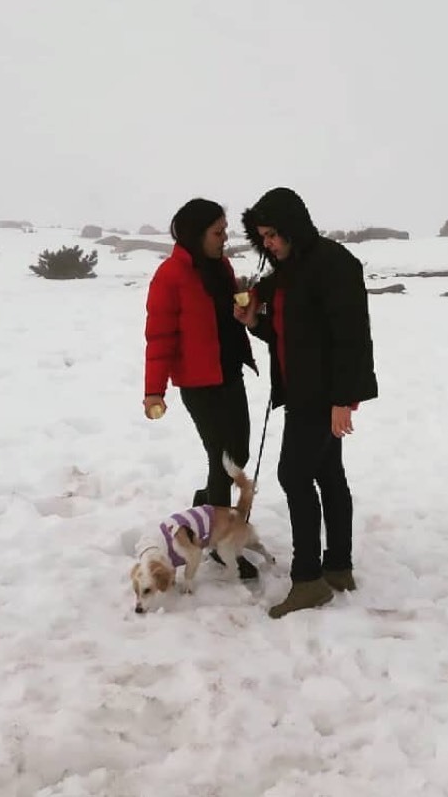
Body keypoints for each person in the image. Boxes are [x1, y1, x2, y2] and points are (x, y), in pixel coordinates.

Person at [236, 187, 378, 617]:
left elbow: (351, 338)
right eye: (262, 237)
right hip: (301, 390)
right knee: (327, 473)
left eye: (274, 234)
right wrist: (253, 321)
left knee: (294, 475)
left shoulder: (334, 264)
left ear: (293, 226)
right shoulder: (289, 271)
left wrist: (344, 399)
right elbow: (288, 335)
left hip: (322, 394)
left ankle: (308, 580)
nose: (269, 243)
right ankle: (338, 567)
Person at [144, 197, 259, 579]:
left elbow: (226, 317)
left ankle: (204, 507)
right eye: (218, 232)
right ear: (196, 234)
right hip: (198, 383)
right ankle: (217, 539)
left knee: (237, 454)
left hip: (229, 374)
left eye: (225, 231)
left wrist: (244, 303)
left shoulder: (220, 266)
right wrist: (154, 391)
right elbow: (160, 337)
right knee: (220, 457)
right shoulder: (170, 276)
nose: (224, 238)